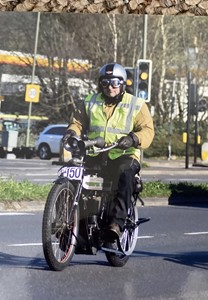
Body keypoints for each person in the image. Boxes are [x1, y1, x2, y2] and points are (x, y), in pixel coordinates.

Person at [62, 62, 155, 242]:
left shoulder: (136, 104)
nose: (110, 87)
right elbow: (77, 122)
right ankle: (71, 225)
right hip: (95, 153)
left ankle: (116, 225)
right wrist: (71, 132)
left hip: (124, 154)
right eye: (105, 83)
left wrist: (133, 139)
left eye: (114, 83)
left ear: (123, 84)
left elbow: (148, 131)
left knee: (124, 174)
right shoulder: (90, 101)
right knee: (72, 176)